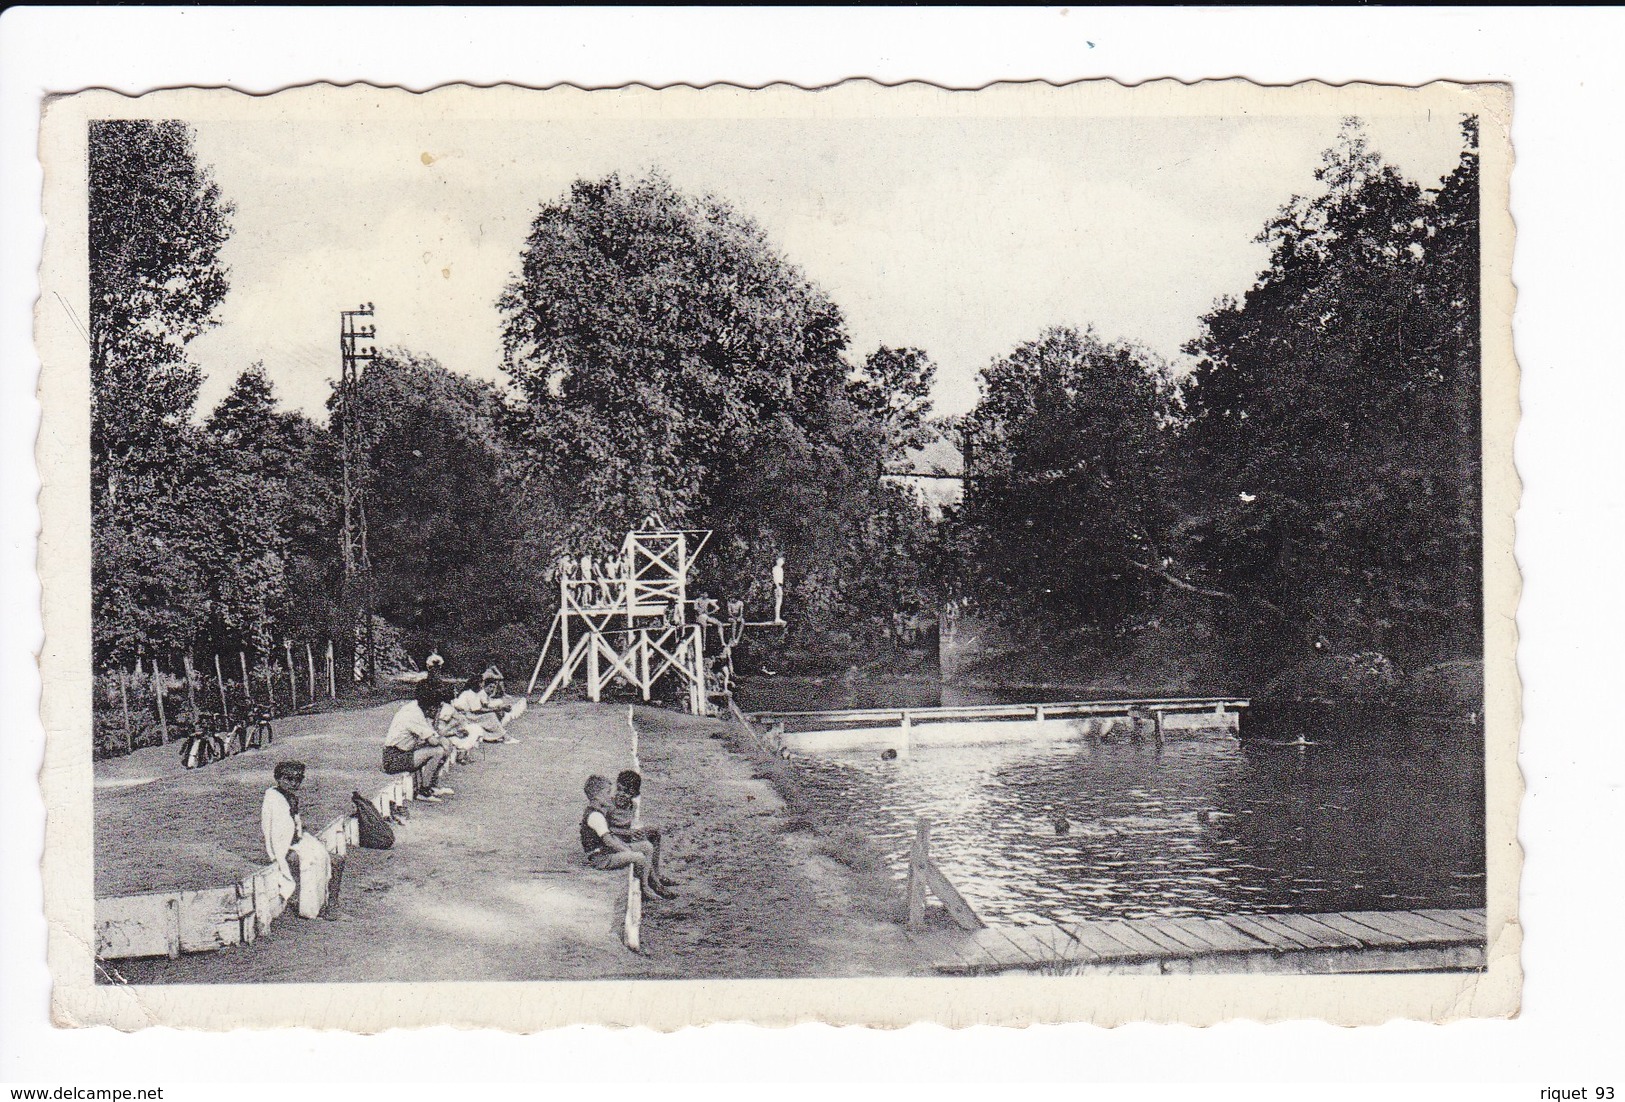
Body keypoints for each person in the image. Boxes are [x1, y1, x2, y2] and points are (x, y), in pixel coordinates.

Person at [261, 761, 341, 920]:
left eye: (297, 780)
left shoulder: (291, 798)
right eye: (288, 779)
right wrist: (280, 853)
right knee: (305, 863)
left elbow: (295, 824)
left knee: (337, 861)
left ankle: (331, 904)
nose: (293, 783)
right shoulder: (272, 798)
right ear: (278, 778)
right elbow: (270, 830)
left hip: (298, 841)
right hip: (284, 847)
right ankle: (305, 906)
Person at [579, 775, 676, 899]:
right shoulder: (595, 815)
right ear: (597, 795)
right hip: (601, 857)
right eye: (607, 792)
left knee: (647, 847)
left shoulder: (600, 810)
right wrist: (626, 849)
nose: (611, 796)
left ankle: (653, 880)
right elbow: (608, 841)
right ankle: (645, 888)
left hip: (607, 850)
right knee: (639, 857)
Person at [383, 681, 452, 801]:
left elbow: (433, 733)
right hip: (394, 757)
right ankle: (423, 791)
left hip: (404, 753)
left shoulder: (417, 708)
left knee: (444, 748)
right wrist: (442, 740)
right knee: (438, 751)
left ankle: (431, 786)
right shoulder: (413, 713)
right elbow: (434, 741)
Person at [607, 770, 677, 888]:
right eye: (619, 790)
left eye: (627, 793)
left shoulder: (633, 806)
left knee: (654, 832)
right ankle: (654, 881)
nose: (621, 795)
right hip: (615, 842)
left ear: (634, 795)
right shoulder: (609, 805)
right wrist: (629, 832)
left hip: (625, 837)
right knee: (645, 846)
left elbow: (629, 826)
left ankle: (656, 873)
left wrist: (638, 832)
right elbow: (607, 831)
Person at [452, 667, 526, 745]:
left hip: (469, 714)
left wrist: (496, 709)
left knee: (491, 715)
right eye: (481, 683)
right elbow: (477, 710)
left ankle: (500, 735)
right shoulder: (470, 694)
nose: (482, 685)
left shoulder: (474, 693)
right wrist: (495, 709)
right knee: (490, 716)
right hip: (466, 716)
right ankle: (505, 737)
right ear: (477, 683)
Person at [772, 554, 785, 624]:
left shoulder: (780, 569)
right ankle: (777, 618)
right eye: (780, 560)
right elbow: (775, 579)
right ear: (777, 561)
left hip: (780, 585)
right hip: (777, 586)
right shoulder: (776, 568)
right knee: (778, 602)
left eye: (782, 561)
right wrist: (778, 587)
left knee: (779, 602)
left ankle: (778, 617)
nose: (781, 562)